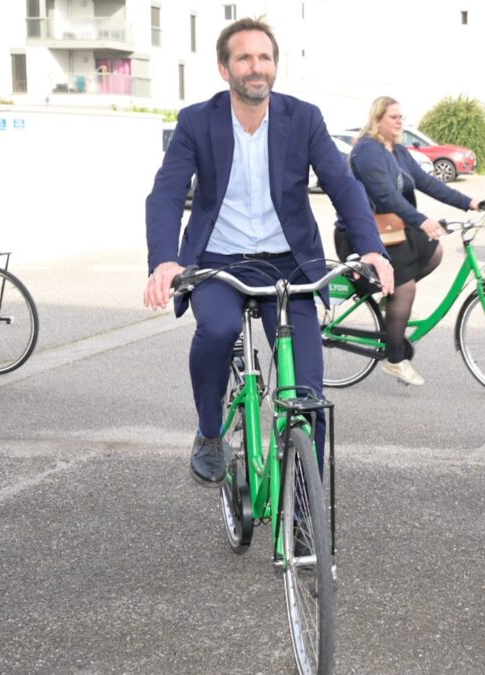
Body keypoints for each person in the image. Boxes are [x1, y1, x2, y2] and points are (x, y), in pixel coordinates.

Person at [143, 18, 394, 485]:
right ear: (225, 69)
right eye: (244, 58)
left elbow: (343, 185)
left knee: (306, 393)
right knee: (217, 331)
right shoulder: (198, 121)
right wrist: (164, 261)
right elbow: (167, 192)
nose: (256, 68)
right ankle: (210, 430)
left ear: (274, 66)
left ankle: (303, 512)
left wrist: (372, 250)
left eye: (264, 57)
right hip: (218, 262)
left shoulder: (304, 118)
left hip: (287, 264)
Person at [334, 96, 485, 386]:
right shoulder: (367, 151)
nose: (400, 121)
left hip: (390, 229)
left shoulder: (398, 151)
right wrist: (421, 219)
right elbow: (384, 196)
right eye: (394, 117)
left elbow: (428, 183)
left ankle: (388, 301)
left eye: (402, 116)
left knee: (434, 252)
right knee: (405, 287)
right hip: (362, 235)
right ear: (377, 120)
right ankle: (394, 359)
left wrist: (469, 202)